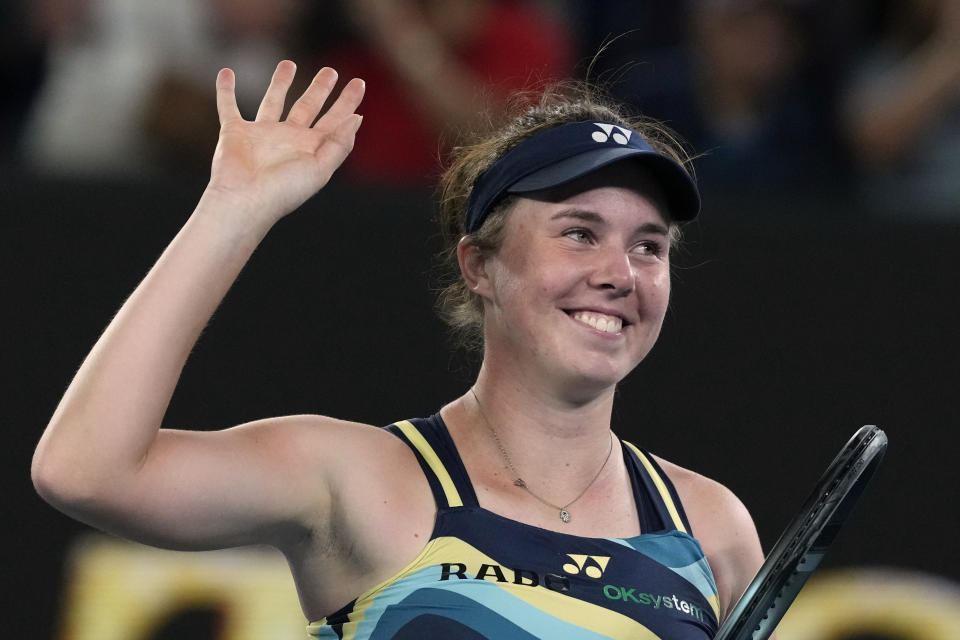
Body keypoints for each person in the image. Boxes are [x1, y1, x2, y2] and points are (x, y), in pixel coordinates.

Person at [32, 60, 767, 638]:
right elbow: (86, 470)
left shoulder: (710, 526)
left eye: (649, 246)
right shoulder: (356, 481)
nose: (620, 274)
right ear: (480, 265)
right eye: (580, 233)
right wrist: (231, 210)